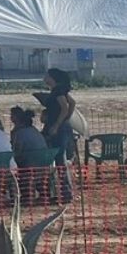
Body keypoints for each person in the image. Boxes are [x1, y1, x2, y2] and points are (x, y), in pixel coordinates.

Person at [41, 68, 76, 201]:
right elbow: (72, 103)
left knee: (60, 158)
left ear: (52, 77)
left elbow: (65, 107)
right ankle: (64, 191)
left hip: (58, 129)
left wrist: (57, 124)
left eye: (47, 75)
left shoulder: (57, 91)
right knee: (60, 158)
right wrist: (66, 119)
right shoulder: (59, 90)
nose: (45, 78)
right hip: (62, 127)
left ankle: (66, 192)